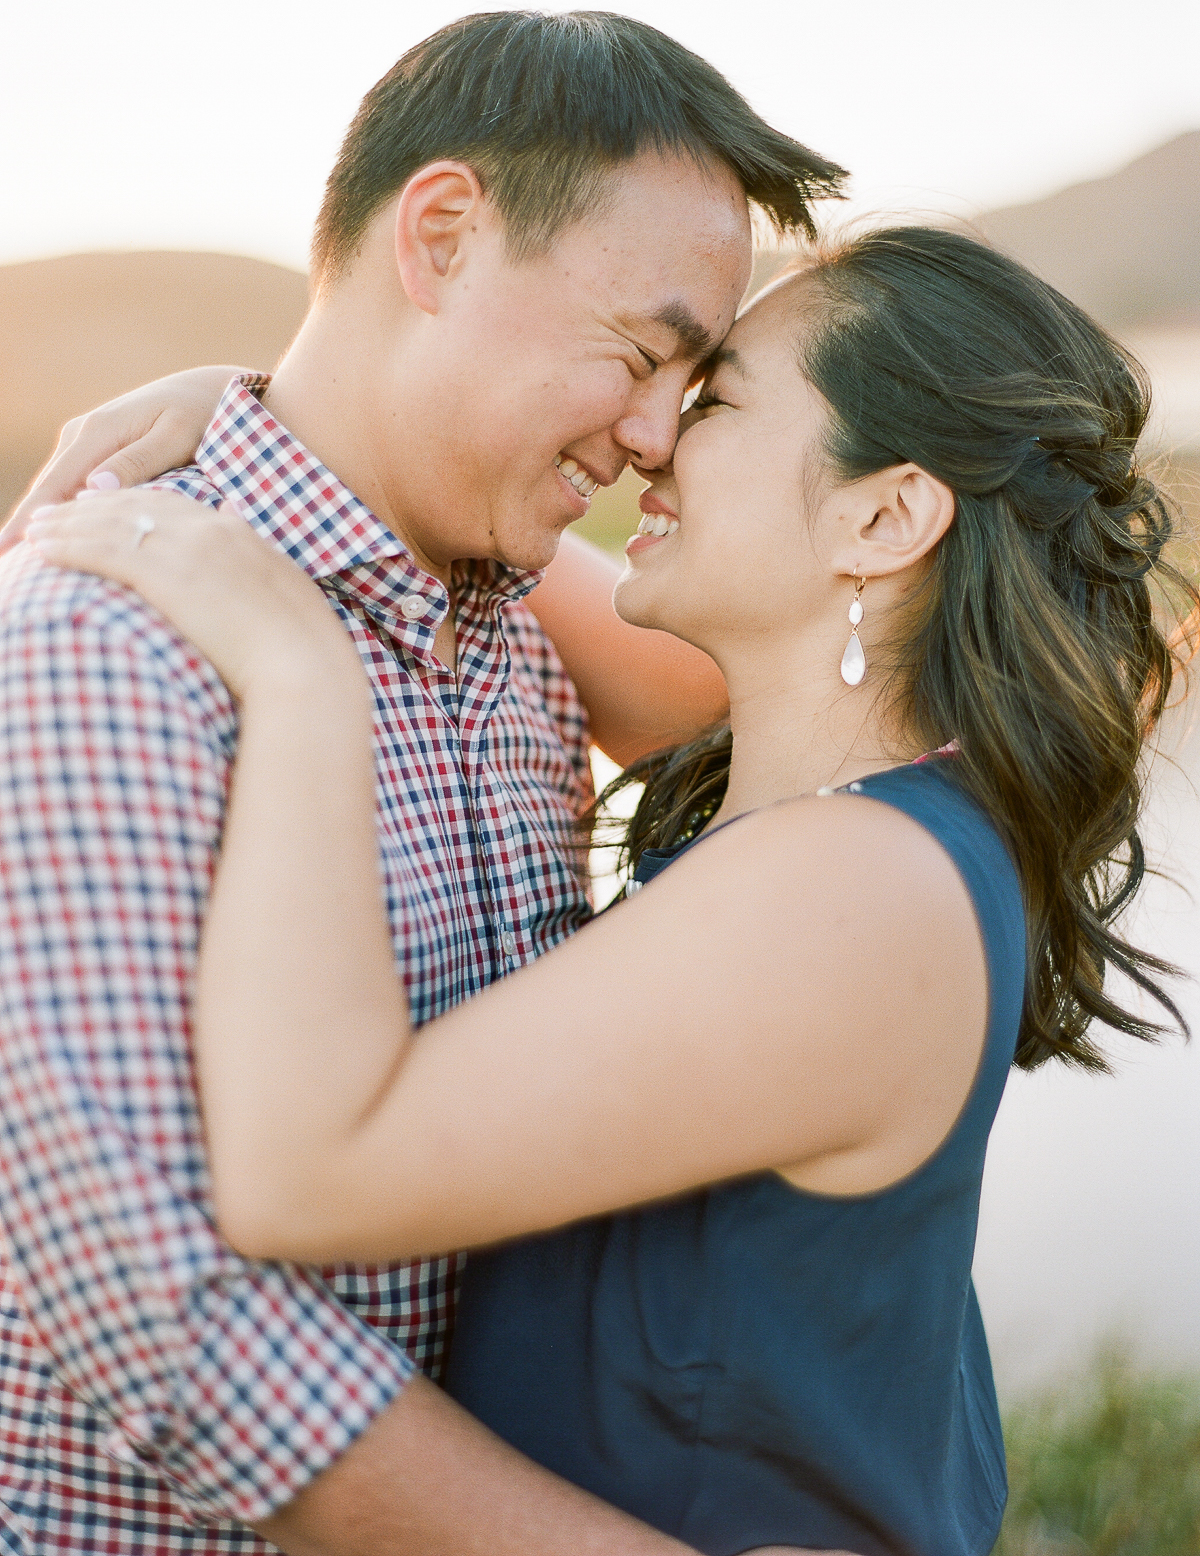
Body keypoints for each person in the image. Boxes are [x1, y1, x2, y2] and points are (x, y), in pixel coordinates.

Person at [24, 224, 1196, 1555]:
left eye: (717, 401)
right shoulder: (853, 780)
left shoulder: (852, 888)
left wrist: (298, 677)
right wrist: (249, 408)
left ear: (885, 515)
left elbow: (308, 1171)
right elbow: (391, 478)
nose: (651, 441)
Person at [0, 10, 847, 1556]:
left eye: (694, 382)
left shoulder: (522, 646)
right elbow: (168, 1324)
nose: (657, 433)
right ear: (443, 234)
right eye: (640, 351)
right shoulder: (101, 644)